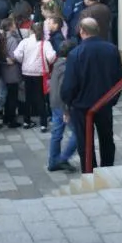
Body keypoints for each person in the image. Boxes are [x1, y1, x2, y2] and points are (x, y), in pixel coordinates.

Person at [61, 18, 122, 171]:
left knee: (85, 142)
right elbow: (119, 78)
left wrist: (68, 103)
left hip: (82, 106)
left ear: (82, 31)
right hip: (104, 103)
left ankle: (89, 171)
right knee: (106, 138)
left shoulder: (75, 54)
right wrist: (113, 99)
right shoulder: (111, 49)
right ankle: (108, 169)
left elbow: (69, 85)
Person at [47, 40, 79, 172]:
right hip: (62, 105)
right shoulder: (66, 68)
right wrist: (67, 110)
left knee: (57, 133)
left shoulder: (57, 64)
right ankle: (63, 158)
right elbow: (65, 90)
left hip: (54, 102)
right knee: (79, 132)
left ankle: (53, 161)